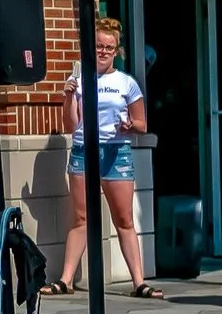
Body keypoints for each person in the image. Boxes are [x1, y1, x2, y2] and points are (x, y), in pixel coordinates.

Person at [54, 18, 160, 299]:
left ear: (117, 51)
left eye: (108, 48)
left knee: (124, 218)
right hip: (83, 149)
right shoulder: (79, 79)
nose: (102, 52)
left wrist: (129, 126)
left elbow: (142, 124)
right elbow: (71, 125)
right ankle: (66, 279)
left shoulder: (126, 82)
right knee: (81, 218)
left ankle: (138, 281)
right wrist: (68, 98)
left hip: (116, 151)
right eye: (98, 46)